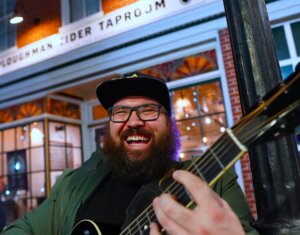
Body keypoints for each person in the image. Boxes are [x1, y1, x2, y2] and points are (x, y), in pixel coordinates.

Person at [2, 73, 258, 235]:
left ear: (169, 124)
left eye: (148, 110)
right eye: (121, 112)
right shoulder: (75, 183)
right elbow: (24, 228)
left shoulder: (212, 181)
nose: (133, 122)